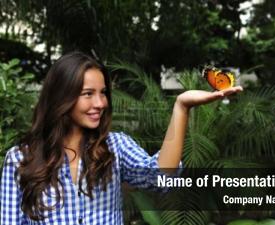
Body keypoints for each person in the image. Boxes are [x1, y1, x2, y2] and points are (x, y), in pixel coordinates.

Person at [0, 51, 242, 224]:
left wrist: (181, 107)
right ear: (62, 97)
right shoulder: (20, 159)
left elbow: (161, 177)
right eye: (88, 94)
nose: (100, 103)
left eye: (103, 93)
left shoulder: (115, 146)